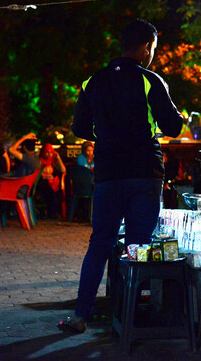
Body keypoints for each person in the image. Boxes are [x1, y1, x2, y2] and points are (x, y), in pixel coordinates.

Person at [62, 18, 184, 333]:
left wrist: (107, 132)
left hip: (106, 174)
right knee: (138, 246)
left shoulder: (93, 81)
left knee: (100, 243)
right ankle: (129, 320)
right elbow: (172, 126)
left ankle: (80, 316)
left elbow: (79, 128)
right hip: (144, 172)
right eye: (153, 48)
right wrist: (179, 116)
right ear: (145, 47)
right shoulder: (150, 80)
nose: (152, 54)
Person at [37, 143, 66, 219]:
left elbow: (63, 170)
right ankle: (52, 212)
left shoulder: (53, 161)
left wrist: (58, 158)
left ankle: (55, 212)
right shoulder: (39, 161)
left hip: (52, 183)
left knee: (57, 191)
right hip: (41, 183)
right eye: (47, 152)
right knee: (49, 190)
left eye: (51, 152)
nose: (49, 154)